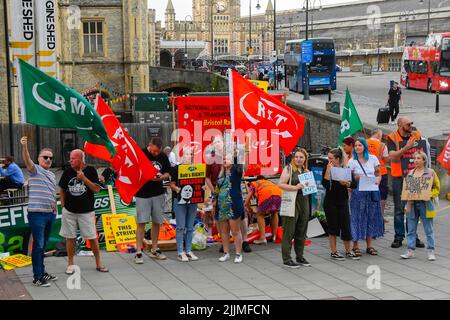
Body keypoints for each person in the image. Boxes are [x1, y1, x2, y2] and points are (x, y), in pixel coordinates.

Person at [59, 149, 108, 274]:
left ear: (81, 159)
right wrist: (63, 205)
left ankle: (98, 262)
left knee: (92, 237)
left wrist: (84, 178)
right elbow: (62, 188)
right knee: (70, 238)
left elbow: (96, 189)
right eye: (70, 158)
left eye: (73, 158)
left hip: (86, 211)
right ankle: (70, 263)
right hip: (69, 211)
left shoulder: (90, 170)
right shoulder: (67, 171)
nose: (70, 161)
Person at [20, 136, 58, 287]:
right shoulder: (35, 170)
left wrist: (54, 208)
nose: (48, 159)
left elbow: (52, 192)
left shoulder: (52, 174)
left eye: (50, 158)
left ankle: (42, 271)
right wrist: (24, 146)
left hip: (49, 214)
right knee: (39, 245)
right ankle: (37, 277)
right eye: (45, 157)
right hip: (37, 214)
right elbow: (27, 160)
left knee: (43, 245)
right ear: (39, 158)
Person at [206, 134, 252, 253]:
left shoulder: (232, 155)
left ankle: (244, 240)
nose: (217, 144)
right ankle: (224, 241)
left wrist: (245, 150)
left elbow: (243, 168)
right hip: (218, 191)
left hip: (234, 190)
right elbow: (207, 177)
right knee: (220, 217)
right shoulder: (211, 158)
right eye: (215, 142)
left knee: (241, 216)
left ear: (224, 143)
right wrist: (214, 191)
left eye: (219, 141)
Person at [387, 117, 425, 249]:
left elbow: (421, 151)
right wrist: (406, 147)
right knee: (399, 208)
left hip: (413, 176)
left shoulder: (416, 134)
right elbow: (392, 156)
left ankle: (413, 236)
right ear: (400, 125)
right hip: (399, 177)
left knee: (414, 208)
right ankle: (398, 237)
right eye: (408, 124)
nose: (411, 125)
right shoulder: (392, 137)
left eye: (411, 123)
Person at [134, 137, 171, 264]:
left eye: (157, 152)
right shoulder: (141, 154)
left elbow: (168, 172)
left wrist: (162, 177)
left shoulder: (162, 156)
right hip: (142, 193)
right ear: (149, 145)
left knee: (157, 222)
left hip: (158, 193)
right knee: (141, 222)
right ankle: (138, 251)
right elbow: (134, 170)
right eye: (154, 151)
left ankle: (155, 248)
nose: (156, 154)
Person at [400, 152, 440, 261]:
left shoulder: (430, 172)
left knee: (428, 229)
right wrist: (407, 202)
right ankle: (410, 250)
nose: (416, 160)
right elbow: (407, 190)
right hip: (412, 204)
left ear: (424, 160)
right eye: (415, 158)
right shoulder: (410, 173)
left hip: (425, 204)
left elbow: (437, 187)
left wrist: (430, 194)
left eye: (419, 158)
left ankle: (431, 251)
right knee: (411, 228)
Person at [322, 148, 360, 261]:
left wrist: (347, 183)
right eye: (328, 158)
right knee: (333, 227)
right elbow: (324, 184)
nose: (329, 160)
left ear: (338, 159)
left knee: (346, 226)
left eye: (331, 158)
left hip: (342, 200)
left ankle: (348, 250)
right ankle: (333, 252)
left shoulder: (345, 168)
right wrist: (329, 170)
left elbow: (353, 184)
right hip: (330, 201)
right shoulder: (327, 167)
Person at [348, 138, 384, 256]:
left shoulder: (373, 158)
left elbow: (378, 173)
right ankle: (355, 245)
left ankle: (370, 245)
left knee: (371, 217)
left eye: (360, 145)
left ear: (364, 147)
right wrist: (356, 177)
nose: (358, 147)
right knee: (357, 217)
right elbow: (349, 179)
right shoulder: (352, 161)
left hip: (372, 190)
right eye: (356, 146)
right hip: (358, 192)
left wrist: (378, 181)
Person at [215, 145, 249, 264]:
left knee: (235, 231)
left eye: (227, 159)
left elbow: (242, 163)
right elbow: (217, 188)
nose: (225, 160)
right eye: (224, 159)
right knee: (224, 232)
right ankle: (226, 253)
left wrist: (237, 150)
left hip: (234, 205)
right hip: (222, 205)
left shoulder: (237, 171)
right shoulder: (221, 174)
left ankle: (238, 253)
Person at [278, 148, 311, 268]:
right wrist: (295, 187)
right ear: (293, 158)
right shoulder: (288, 169)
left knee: (301, 230)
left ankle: (300, 256)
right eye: (296, 157)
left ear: (305, 159)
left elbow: (309, 187)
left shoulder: (305, 170)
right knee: (289, 231)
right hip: (292, 201)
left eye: (301, 157)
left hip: (304, 201)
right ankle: (286, 259)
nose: (298, 159)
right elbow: (280, 184)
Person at [170, 147, 199, 262]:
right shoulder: (176, 169)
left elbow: (199, 182)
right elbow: (171, 184)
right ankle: (180, 252)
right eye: (187, 154)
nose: (189, 156)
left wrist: (201, 188)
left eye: (191, 154)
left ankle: (188, 250)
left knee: (190, 227)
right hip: (179, 201)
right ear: (181, 156)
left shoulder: (196, 169)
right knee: (181, 227)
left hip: (192, 201)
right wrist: (177, 189)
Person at [245, 176, 281, 245]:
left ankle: (262, 238)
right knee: (274, 213)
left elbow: (246, 202)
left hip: (266, 195)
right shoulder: (269, 182)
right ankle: (274, 236)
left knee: (260, 215)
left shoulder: (254, 183)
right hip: (278, 194)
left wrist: (250, 210)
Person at [367, 128, 390, 223]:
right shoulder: (382, 145)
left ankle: (368, 215)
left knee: (368, 194)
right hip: (381, 172)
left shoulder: (363, 143)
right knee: (382, 195)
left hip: (367, 172)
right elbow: (386, 160)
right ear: (378, 135)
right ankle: (380, 215)